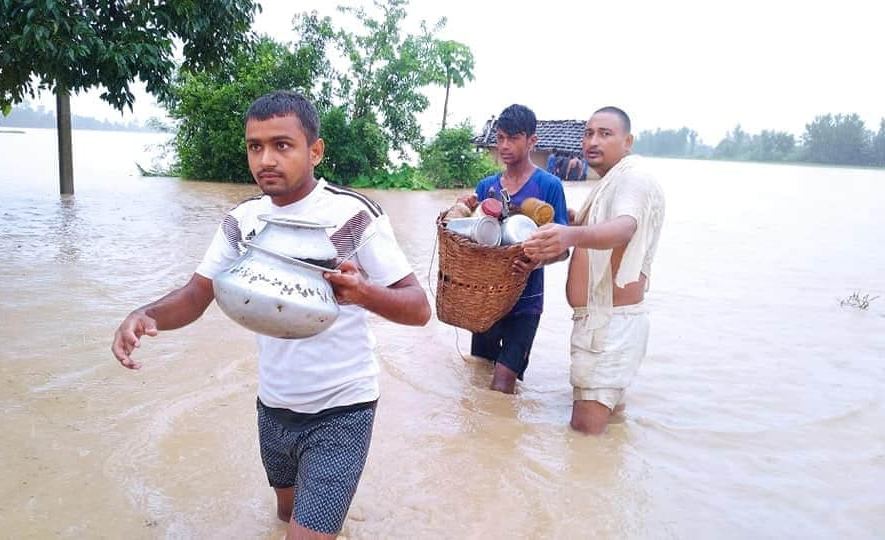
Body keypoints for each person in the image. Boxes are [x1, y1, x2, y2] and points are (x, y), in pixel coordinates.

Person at [111, 91, 431, 538]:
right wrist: (143, 314)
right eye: (254, 146)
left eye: (282, 145)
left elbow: (418, 308)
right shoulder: (243, 221)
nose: (266, 159)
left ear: (314, 151)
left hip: (343, 406)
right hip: (275, 405)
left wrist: (363, 293)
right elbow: (196, 295)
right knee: (284, 516)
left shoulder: (352, 215)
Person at [524, 106, 665, 435]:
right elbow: (608, 228)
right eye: (589, 133)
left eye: (605, 133)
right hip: (605, 323)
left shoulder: (633, 177)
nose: (593, 141)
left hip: (609, 326)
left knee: (584, 438)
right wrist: (576, 221)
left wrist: (569, 235)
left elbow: (624, 228)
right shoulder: (612, 182)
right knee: (607, 435)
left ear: (627, 141)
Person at [458, 104, 568, 394]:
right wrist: (462, 211)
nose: (504, 146)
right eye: (500, 138)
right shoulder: (486, 188)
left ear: (532, 140)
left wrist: (535, 262)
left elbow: (564, 248)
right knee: (479, 374)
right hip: (486, 301)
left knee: (504, 382)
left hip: (526, 303)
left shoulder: (549, 186)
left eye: (513, 138)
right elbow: (471, 241)